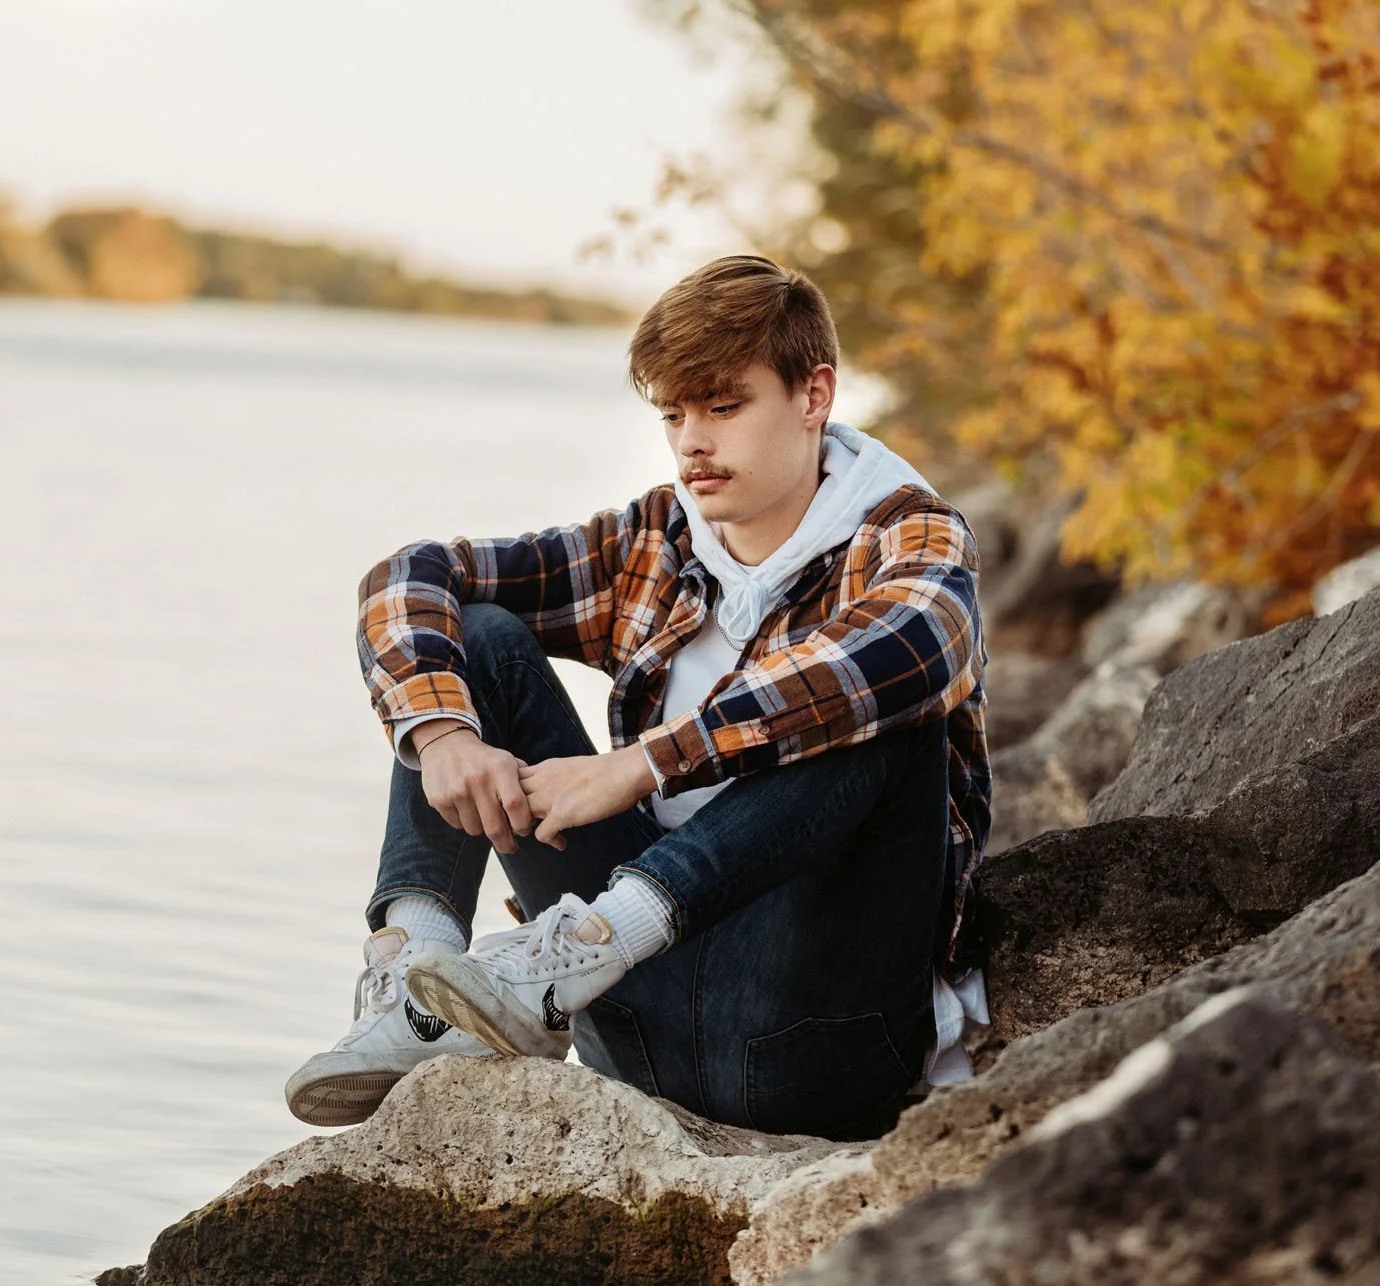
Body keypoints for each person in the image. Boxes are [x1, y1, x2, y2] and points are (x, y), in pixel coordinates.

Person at [284, 254, 991, 1141]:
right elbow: (411, 576)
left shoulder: (908, 533)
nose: (693, 440)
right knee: (476, 636)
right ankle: (418, 988)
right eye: (673, 413)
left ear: (815, 396)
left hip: (812, 1042)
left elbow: (907, 650)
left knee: (875, 711)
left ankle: (580, 947)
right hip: (631, 1025)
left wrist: (644, 764)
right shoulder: (656, 537)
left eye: (724, 407)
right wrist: (438, 736)